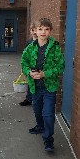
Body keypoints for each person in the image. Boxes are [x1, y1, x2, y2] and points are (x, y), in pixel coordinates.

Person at [21, 18, 64, 152]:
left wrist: (45, 74)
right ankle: (40, 126)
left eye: (46, 29)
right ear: (36, 31)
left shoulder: (55, 47)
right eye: (40, 29)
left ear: (50, 30)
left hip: (49, 87)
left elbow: (60, 67)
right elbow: (24, 64)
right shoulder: (30, 48)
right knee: (37, 110)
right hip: (35, 87)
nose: (43, 32)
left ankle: (48, 140)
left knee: (48, 114)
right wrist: (29, 72)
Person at [19, 22, 37, 106]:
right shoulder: (29, 41)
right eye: (32, 30)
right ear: (30, 31)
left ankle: (36, 99)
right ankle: (29, 99)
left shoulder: (41, 41)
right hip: (29, 66)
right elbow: (24, 55)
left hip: (38, 66)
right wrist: (23, 67)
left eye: (36, 30)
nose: (34, 32)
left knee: (37, 83)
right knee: (30, 83)